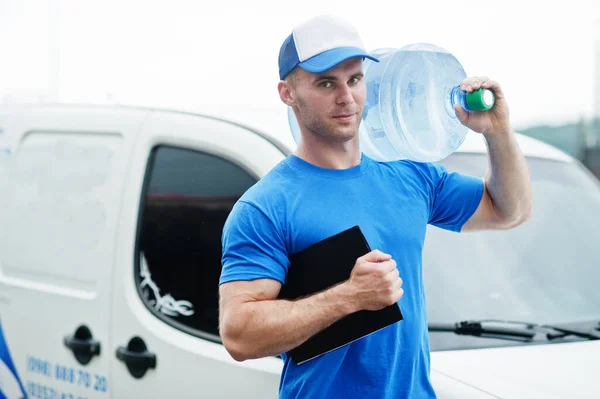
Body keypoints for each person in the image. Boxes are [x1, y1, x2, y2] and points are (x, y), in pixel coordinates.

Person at [218, 14, 532, 399]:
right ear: (287, 92)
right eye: (326, 83)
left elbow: (509, 210)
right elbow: (239, 334)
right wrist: (348, 296)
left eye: (354, 79)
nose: (346, 98)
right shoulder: (266, 206)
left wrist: (497, 131)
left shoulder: (411, 177)